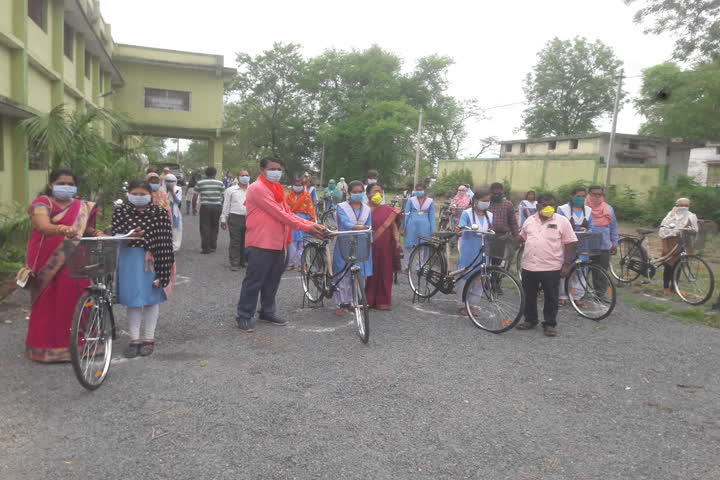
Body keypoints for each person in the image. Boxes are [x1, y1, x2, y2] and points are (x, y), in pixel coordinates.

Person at [235, 157, 326, 333]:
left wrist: (311, 224)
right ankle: (244, 315)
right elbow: (280, 214)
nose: (276, 172)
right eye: (272, 168)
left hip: (278, 243)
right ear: (262, 170)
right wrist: (307, 227)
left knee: (272, 281)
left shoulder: (276, 189)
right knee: (254, 282)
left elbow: (288, 213)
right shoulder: (257, 189)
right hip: (260, 243)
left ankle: (267, 312)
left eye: (279, 169)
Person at [24, 169, 100, 362]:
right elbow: (42, 225)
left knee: (76, 297)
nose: (66, 187)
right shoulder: (43, 203)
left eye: (70, 184)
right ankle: (45, 348)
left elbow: (86, 229)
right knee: (48, 301)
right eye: (61, 183)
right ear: (51, 185)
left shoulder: (82, 206)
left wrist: (96, 232)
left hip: (76, 258)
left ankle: (81, 345)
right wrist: (60, 228)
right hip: (47, 261)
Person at [112, 180, 174, 358]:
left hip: (154, 259)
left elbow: (166, 240)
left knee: (151, 299)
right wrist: (128, 237)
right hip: (129, 258)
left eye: (142, 194)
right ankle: (134, 340)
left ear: (150, 195)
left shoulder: (160, 213)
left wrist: (163, 261)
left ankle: (149, 338)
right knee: (133, 299)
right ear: (128, 193)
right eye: (135, 194)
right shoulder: (121, 211)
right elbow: (116, 235)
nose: (138, 197)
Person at [516, 194, 577, 337]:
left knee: (551, 296)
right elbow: (522, 237)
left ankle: (550, 324)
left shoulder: (562, 221)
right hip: (529, 265)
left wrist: (566, 264)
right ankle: (530, 320)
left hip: (551, 266)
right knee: (529, 295)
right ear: (538, 206)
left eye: (552, 205)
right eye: (545, 204)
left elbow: (570, 242)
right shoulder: (530, 220)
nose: (548, 208)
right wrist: (511, 240)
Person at [333, 181, 373, 316]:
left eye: (359, 192)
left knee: (359, 275)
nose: (357, 194)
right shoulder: (341, 207)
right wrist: (359, 228)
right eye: (354, 192)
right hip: (345, 241)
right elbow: (344, 222)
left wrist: (370, 242)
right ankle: (341, 303)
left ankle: (354, 302)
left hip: (362, 243)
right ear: (349, 193)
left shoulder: (367, 209)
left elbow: (369, 226)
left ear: (363, 193)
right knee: (343, 273)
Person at [455, 191, 494, 316]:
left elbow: (491, 229)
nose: (486, 203)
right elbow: (461, 228)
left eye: (488, 200)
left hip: (483, 248)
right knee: (464, 275)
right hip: (468, 248)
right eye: (484, 200)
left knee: (481, 276)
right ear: (476, 200)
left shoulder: (490, 215)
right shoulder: (467, 214)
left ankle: (472, 304)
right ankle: (462, 304)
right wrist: (461, 229)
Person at [365, 183, 401, 310]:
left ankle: (383, 301)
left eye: (380, 191)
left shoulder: (388, 210)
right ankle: (367, 300)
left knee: (385, 274)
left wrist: (397, 241)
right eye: (375, 191)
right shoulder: (363, 210)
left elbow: (394, 228)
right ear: (367, 194)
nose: (378, 194)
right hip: (368, 248)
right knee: (369, 274)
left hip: (386, 248)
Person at [557, 187, 593, 306]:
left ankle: (577, 296)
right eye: (578, 196)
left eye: (583, 196)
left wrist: (588, 230)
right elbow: (559, 226)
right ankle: (561, 295)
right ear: (571, 196)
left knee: (582, 270)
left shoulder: (588, 210)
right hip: (566, 244)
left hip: (583, 244)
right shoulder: (562, 209)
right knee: (563, 269)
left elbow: (592, 227)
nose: (581, 198)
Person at [659, 198, 699, 296]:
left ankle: (674, 287)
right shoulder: (670, 215)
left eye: (686, 205)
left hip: (683, 243)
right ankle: (666, 287)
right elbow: (663, 229)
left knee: (679, 265)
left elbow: (694, 229)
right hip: (670, 242)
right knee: (669, 265)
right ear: (677, 205)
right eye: (681, 205)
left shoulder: (691, 216)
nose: (683, 207)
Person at [585, 185, 619, 296]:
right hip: (587, 243)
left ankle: (600, 295)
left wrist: (614, 243)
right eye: (594, 194)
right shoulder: (583, 208)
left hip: (604, 245)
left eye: (599, 194)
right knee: (583, 270)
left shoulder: (608, 209)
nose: (596, 196)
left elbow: (613, 227)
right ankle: (578, 295)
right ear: (589, 194)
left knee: (601, 272)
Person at [401, 183, 436, 271]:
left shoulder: (430, 201)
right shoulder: (411, 200)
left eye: (420, 189)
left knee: (422, 247)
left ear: (425, 190)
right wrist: (403, 227)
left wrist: (433, 229)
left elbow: (432, 216)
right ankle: (406, 266)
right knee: (408, 246)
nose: (418, 191)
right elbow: (406, 214)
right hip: (411, 226)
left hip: (424, 227)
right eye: (417, 190)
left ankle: (420, 266)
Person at [220, 169, 250, 271]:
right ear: (238, 177)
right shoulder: (230, 190)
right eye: (243, 175)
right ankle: (234, 262)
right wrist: (223, 219)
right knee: (235, 241)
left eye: (247, 175)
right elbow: (226, 204)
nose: (245, 177)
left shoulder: (253, 189)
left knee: (247, 241)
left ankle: (244, 261)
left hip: (250, 218)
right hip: (235, 218)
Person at [285, 178, 316, 271]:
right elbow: (285, 210)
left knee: (303, 245)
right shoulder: (288, 196)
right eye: (296, 185)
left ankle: (302, 264)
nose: (298, 187)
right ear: (292, 185)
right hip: (291, 222)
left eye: (300, 185)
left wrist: (311, 222)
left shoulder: (307, 196)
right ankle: (290, 263)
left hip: (303, 222)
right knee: (291, 245)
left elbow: (310, 210)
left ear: (303, 186)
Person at [487, 182, 518, 267]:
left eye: (499, 193)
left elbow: (513, 222)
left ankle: (495, 279)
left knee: (497, 262)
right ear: (490, 192)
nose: (496, 195)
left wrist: (516, 236)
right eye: (494, 193)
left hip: (501, 237)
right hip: (486, 235)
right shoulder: (486, 203)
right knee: (485, 260)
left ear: (503, 192)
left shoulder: (508, 204)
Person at [196, 166, 224, 254]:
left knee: (205, 227)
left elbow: (195, 196)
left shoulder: (200, 183)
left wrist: (193, 207)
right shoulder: (220, 183)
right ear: (215, 173)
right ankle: (213, 246)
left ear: (206, 173)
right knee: (215, 226)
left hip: (205, 207)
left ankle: (206, 248)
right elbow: (223, 196)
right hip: (217, 207)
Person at [163, 173, 183, 252]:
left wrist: (172, 191)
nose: (170, 182)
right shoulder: (162, 189)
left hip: (174, 210)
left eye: (172, 181)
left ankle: (175, 247)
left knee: (175, 229)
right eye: (168, 181)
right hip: (164, 210)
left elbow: (178, 201)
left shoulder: (178, 189)